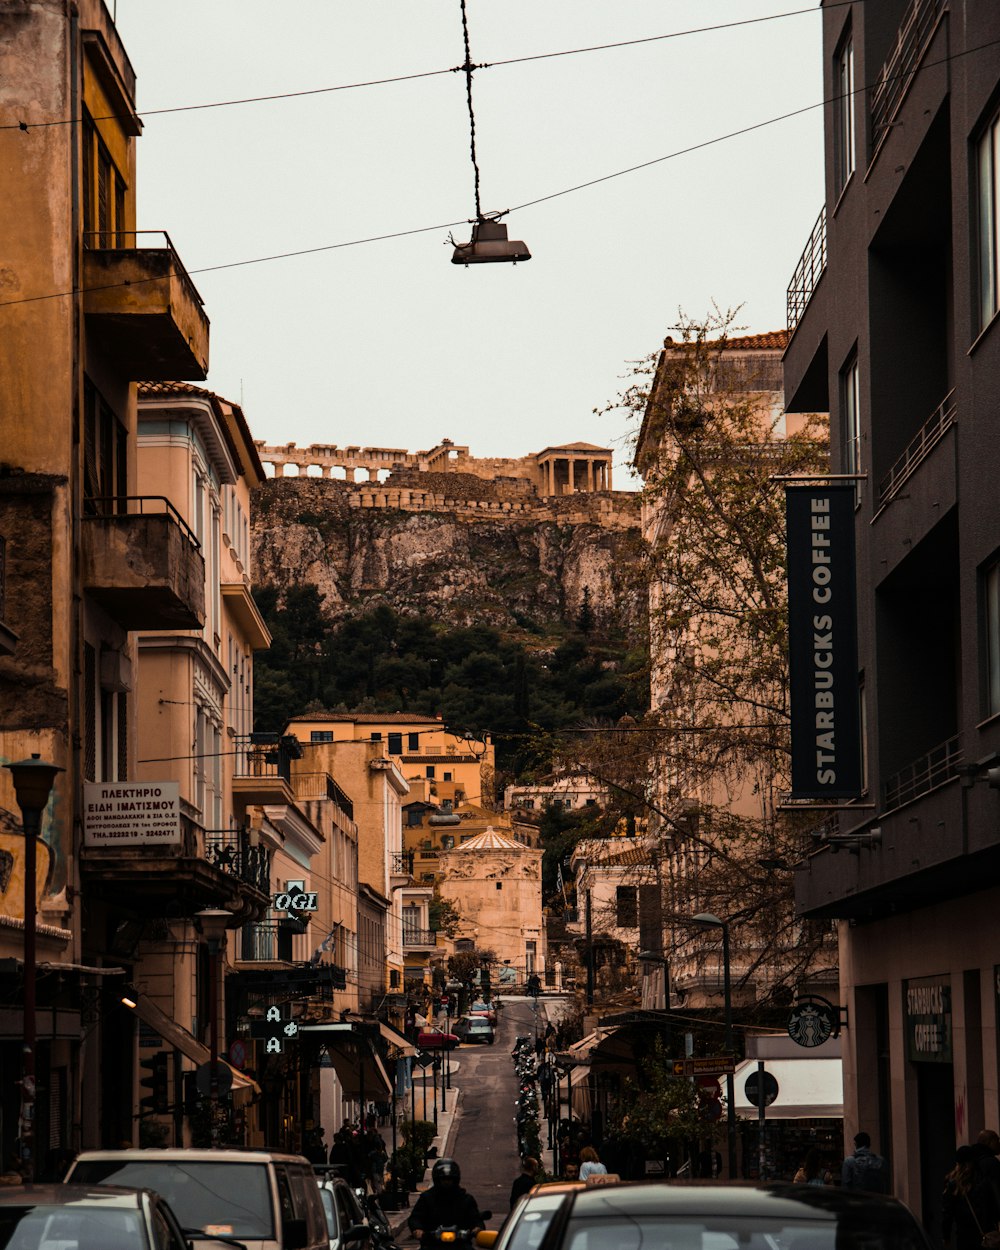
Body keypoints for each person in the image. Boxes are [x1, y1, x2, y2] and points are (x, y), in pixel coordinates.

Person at [408, 1158, 484, 1246]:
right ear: (437, 1180)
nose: (446, 1182)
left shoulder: (465, 1199)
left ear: (455, 1180)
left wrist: (477, 1228)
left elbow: (476, 1218)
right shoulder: (427, 1198)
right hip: (432, 1245)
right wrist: (417, 1229)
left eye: (449, 1179)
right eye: (443, 1179)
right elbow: (415, 1217)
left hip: (460, 1245)